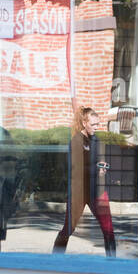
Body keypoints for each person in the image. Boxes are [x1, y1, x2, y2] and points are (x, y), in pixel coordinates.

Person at [53, 107, 117, 257]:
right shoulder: (76, 141)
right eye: (94, 124)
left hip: (97, 190)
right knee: (69, 229)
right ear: (84, 123)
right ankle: (55, 259)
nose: (97, 127)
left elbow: (101, 160)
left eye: (98, 124)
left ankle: (113, 265)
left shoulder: (97, 140)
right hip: (79, 192)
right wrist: (96, 170)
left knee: (108, 230)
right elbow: (77, 170)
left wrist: (103, 167)